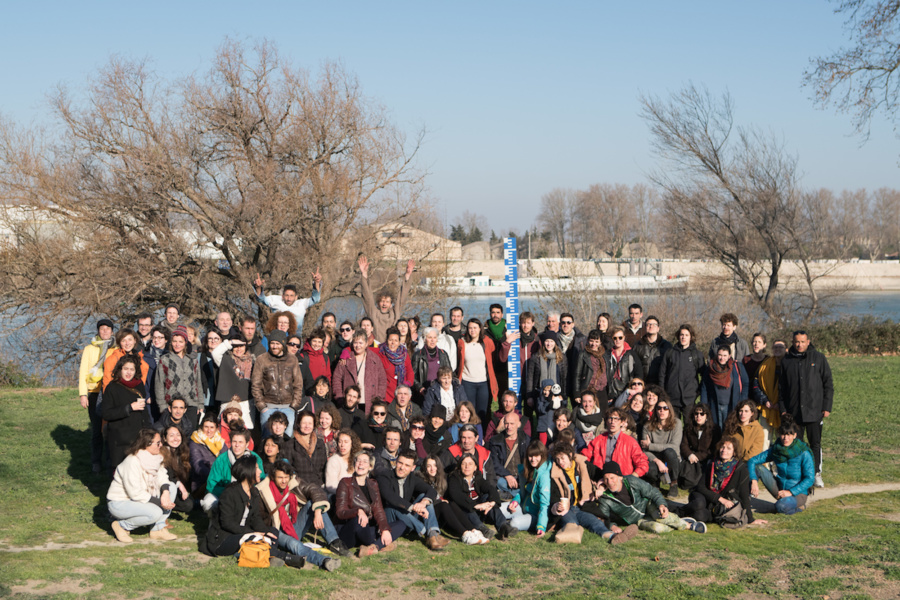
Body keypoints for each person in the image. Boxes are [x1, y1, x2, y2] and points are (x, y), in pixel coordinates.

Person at [202, 456, 317, 570]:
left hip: (244, 534)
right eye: (257, 468)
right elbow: (227, 523)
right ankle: (287, 558)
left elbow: (256, 519)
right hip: (223, 539)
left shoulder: (254, 492)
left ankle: (266, 555)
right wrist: (254, 532)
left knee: (272, 532)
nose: (260, 471)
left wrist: (264, 531)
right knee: (254, 536)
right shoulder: (229, 493)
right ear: (249, 470)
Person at [255, 460, 350, 562]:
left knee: (314, 504)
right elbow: (258, 518)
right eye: (280, 478)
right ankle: (322, 560)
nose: (284, 481)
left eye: (286, 477)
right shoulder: (263, 491)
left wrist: (318, 511)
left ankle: (334, 542)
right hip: (277, 531)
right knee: (294, 545)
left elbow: (314, 490)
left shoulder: (294, 483)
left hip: (294, 526)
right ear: (273, 477)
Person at [549, 444, 639, 544]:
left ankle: (613, 537)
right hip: (567, 509)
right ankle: (569, 537)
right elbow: (554, 495)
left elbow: (600, 474)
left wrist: (601, 487)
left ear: (570, 455)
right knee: (571, 524)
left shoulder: (583, 465)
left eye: (562, 458)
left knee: (595, 522)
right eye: (557, 459)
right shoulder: (555, 474)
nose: (560, 462)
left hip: (583, 506)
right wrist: (557, 505)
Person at [779, 330, 833, 488]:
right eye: (797, 342)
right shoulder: (786, 361)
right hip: (794, 413)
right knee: (797, 445)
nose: (799, 345)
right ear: (793, 341)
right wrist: (783, 409)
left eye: (802, 342)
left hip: (815, 411)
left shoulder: (818, 358)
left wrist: (826, 407)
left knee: (815, 443)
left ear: (808, 342)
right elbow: (781, 388)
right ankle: (801, 474)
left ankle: (816, 473)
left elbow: (828, 384)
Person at [107, 429, 178, 544]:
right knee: (155, 513)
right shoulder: (132, 462)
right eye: (158, 443)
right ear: (147, 444)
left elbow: (162, 476)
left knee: (172, 487)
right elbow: (135, 493)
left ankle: (157, 528)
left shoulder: (156, 458)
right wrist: (161, 502)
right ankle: (122, 526)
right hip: (120, 502)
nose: (161, 445)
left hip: (140, 498)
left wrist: (165, 493)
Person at [591, 461, 704, 534]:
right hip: (637, 520)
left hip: (648, 505)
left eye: (612, 478)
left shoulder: (631, 481)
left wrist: (661, 504)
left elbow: (652, 491)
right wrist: (612, 526)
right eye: (606, 479)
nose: (609, 482)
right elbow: (604, 517)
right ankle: (678, 522)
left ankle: (690, 526)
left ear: (620, 477)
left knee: (661, 516)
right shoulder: (605, 498)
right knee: (658, 528)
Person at [375, 450, 450, 550]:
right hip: (391, 520)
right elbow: (389, 496)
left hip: (407, 519)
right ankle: (426, 532)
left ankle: (432, 534)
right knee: (392, 506)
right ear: (396, 462)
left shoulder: (412, 478)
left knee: (425, 497)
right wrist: (413, 507)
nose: (402, 467)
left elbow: (431, 490)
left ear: (413, 468)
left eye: (407, 465)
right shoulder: (384, 476)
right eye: (400, 463)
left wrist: (424, 502)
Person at [336, 451, 408, 555]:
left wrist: (384, 529)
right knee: (358, 522)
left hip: (367, 528)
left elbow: (378, 510)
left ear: (370, 467)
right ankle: (379, 543)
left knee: (400, 524)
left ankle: (373, 547)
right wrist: (358, 511)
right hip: (350, 530)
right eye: (358, 461)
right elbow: (340, 512)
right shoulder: (345, 483)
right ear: (354, 464)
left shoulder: (373, 484)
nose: (361, 464)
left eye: (365, 461)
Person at [682, 437, 760, 528]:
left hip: (716, 506)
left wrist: (751, 519)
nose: (724, 450)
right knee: (699, 504)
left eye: (728, 448)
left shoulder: (741, 469)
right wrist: (720, 499)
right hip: (705, 495)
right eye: (723, 447)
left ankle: (685, 518)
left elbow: (744, 495)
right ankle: (677, 511)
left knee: (700, 516)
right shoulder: (712, 463)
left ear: (734, 452)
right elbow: (700, 487)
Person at [748, 415, 815, 515]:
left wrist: (790, 492)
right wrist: (754, 481)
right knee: (757, 467)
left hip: (798, 493)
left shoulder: (803, 453)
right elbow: (752, 461)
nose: (785, 438)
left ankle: (798, 507)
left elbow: (809, 479)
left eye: (789, 435)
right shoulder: (776, 449)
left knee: (781, 506)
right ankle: (745, 499)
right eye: (783, 434)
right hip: (780, 489)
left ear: (795, 435)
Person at [418, 454, 488, 544]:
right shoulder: (420, 480)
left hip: (439, 515)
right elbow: (424, 499)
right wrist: (439, 501)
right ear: (424, 468)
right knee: (443, 505)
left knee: (451, 503)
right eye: (429, 466)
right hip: (426, 515)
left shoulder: (440, 480)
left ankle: (473, 530)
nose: (432, 469)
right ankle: (465, 534)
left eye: (435, 465)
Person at [446, 455, 517, 540]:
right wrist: (474, 505)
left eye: (470, 464)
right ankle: (482, 529)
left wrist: (492, 502)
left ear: (475, 467)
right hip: (465, 513)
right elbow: (456, 495)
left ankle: (503, 526)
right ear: (459, 466)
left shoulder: (477, 477)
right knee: (465, 507)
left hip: (479, 511)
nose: (467, 466)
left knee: (488, 497)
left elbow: (490, 488)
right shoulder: (454, 478)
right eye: (464, 464)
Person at [102, 355, 153, 471]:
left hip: (137, 437)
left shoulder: (139, 385)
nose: (128, 373)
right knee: (120, 473)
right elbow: (106, 413)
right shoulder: (112, 387)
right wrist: (129, 408)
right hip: (119, 438)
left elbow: (144, 412)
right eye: (125, 369)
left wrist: (149, 431)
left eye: (132, 369)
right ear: (120, 369)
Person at [251, 330, 304, 437]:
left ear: (283, 344)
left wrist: (294, 406)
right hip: (268, 407)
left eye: (277, 343)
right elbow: (255, 385)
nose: (274, 346)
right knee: (267, 440)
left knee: (287, 439)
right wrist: (262, 406)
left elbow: (298, 384)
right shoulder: (262, 359)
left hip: (288, 407)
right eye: (272, 343)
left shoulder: (292, 359)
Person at [78, 318, 114, 473]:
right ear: (98, 331)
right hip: (94, 391)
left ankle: (109, 461)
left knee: (110, 428)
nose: (105, 331)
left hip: (110, 391)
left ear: (112, 331)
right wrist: (83, 394)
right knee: (96, 428)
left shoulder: (116, 348)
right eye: (102, 329)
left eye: (108, 329)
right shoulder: (89, 348)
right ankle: (95, 461)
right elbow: (83, 372)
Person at [202, 428, 264, 512]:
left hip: (248, 496)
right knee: (208, 501)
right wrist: (230, 495)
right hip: (225, 495)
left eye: (240, 442)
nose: (237, 445)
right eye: (234, 441)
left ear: (247, 444)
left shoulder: (255, 459)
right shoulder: (221, 459)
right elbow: (211, 485)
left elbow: (261, 481)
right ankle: (214, 522)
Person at [358, 255, 415, 343]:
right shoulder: (373, 312)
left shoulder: (394, 312)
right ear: (378, 302)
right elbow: (367, 297)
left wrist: (407, 275)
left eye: (387, 302)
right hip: (377, 348)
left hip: (392, 347)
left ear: (391, 303)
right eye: (382, 301)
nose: (384, 304)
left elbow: (402, 297)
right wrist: (364, 274)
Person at [155, 326, 203, 428]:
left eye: (180, 341)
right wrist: (162, 405)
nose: (177, 344)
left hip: (191, 404)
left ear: (185, 342)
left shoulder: (192, 360)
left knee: (190, 436)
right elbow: (159, 384)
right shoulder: (165, 359)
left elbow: (198, 382)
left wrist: (200, 404)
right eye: (174, 341)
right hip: (172, 405)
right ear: (171, 342)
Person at [502, 440, 552, 537]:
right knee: (499, 510)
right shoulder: (528, 469)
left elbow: (544, 504)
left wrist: (541, 526)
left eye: (536, 456)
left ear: (542, 456)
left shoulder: (544, 475)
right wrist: (515, 501)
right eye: (530, 456)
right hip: (522, 507)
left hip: (535, 515)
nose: (533, 459)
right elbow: (522, 492)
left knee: (514, 523)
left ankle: (510, 524)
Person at [581, 408, 649, 477]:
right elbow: (584, 457)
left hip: (622, 480)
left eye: (616, 419)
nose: (612, 422)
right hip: (600, 477)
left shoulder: (630, 442)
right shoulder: (598, 440)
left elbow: (643, 464)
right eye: (610, 418)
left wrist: (631, 478)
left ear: (622, 422)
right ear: (606, 421)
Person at [253, 269, 322, 335]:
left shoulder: (302, 304)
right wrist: (258, 287)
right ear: (282, 296)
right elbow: (261, 299)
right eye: (286, 295)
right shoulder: (276, 301)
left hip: (295, 338)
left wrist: (317, 283)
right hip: (278, 336)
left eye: (292, 296)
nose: (289, 299)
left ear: (296, 297)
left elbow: (315, 299)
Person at [333, 330, 388, 413]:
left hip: (370, 401)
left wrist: (379, 398)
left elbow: (382, 379)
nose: (358, 346)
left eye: (361, 343)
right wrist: (340, 397)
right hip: (349, 402)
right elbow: (336, 378)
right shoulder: (346, 359)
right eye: (355, 343)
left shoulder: (375, 359)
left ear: (366, 344)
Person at [457, 318, 498, 425]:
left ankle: (481, 437)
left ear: (480, 329)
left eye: (475, 328)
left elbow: (492, 359)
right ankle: (469, 434)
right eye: (470, 328)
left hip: (483, 382)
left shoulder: (487, 342)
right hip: (467, 382)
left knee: (482, 412)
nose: (472, 330)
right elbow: (459, 361)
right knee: (469, 411)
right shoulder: (462, 343)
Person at [658, 323, 705, 419]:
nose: (683, 337)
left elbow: (704, 375)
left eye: (686, 335)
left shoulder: (697, 354)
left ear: (691, 337)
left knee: (689, 427)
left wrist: (698, 392)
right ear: (678, 336)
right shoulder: (670, 353)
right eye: (681, 335)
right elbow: (662, 374)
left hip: (689, 398)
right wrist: (663, 393)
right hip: (671, 397)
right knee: (673, 427)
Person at [640, 398, 683, 497]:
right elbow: (644, 450)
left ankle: (673, 483)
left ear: (670, 410)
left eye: (665, 408)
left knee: (669, 452)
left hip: (670, 458)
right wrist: (658, 461)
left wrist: (651, 445)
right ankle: (655, 482)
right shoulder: (647, 426)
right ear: (656, 410)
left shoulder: (677, 424)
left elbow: (674, 446)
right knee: (649, 466)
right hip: (655, 458)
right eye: (659, 408)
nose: (662, 410)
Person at [211, 333, 256, 425]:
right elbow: (215, 353)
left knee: (246, 429)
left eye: (241, 346)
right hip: (228, 401)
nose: (239, 349)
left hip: (246, 402)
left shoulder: (252, 361)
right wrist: (230, 342)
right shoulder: (225, 359)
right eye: (235, 346)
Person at [701, 345, 750, 429]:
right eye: (720, 355)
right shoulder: (711, 368)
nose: (722, 358)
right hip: (714, 405)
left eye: (725, 355)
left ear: (729, 356)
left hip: (732, 405)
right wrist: (704, 406)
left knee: (730, 429)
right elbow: (704, 387)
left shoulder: (737, 367)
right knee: (715, 430)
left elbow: (745, 383)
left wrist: (742, 400)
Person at [487, 412, 530, 500]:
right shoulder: (495, 441)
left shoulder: (525, 439)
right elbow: (494, 462)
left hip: (521, 475)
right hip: (503, 476)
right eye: (506, 423)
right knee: (499, 482)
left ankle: (510, 494)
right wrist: (507, 475)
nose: (509, 427)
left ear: (518, 424)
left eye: (512, 424)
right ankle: (519, 494)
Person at [526, 331, 568, 419]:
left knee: (556, 419)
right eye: (547, 341)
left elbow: (564, 378)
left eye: (552, 341)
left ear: (555, 343)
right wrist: (529, 396)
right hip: (541, 395)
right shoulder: (536, 357)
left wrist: (563, 395)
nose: (549, 344)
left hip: (556, 394)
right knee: (542, 419)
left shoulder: (562, 358)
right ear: (543, 342)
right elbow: (530, 377)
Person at [678, 403, 720, 491]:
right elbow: (683, 444)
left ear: (707, 416)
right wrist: (689, 455)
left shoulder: (714, 429)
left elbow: (714, 448)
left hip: (707, 458)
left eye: (702, 414)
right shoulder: (688, 427)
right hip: (692, 457)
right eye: (696, 414)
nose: (698, 416)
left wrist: (699, 456)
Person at [101, 328, 150, 393]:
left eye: (130, 340)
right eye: (123, 340)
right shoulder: (113, 359)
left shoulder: (140, 359)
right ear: (119, 343)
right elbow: (107, 382)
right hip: (118, 396)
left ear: (135, 340)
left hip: (135, 394)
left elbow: (142, 380)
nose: (127, 343)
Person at [287, 410, 328, 488]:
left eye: (310, 423)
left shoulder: (319, 443)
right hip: (299, 486)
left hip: (318, 485)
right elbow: (289, 468)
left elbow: (323, 467)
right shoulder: (290, 444)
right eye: (304, 423)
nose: (307, 426)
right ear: (299, 424)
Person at [160, 425, 195, 514]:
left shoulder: (181, 451)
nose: (175, 438)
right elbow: (167, 476)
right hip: (164, 487)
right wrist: (181, 486)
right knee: (187, 504)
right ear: (164, 438)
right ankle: (163, 510)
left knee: (190, 503)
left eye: (178, 435)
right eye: (171, 435)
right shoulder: (162, 453)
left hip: (175, 486)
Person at [412, 327, 452, 403]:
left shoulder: (443, 354)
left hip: (441, 393)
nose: (432, 340)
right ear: (424, 339)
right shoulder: (418, 355)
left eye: (434, 337)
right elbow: (412, 376)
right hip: (424, 393)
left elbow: (450, 373)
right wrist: (420, 388)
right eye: (430, 337)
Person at [573, 330, 610, 408]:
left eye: (596, 341)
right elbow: (577, 374)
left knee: (603, 415)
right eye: (591, 341)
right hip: (588, 388)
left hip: (602, 390)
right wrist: (577, 393)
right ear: (588, 341)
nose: (594, 344)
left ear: (600, 342)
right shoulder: (583, 355)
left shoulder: (605, 355)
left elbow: (608, 373)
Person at [605, 326, 644, 400]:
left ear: (624, 338)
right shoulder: (607, 354)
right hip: (611, 392)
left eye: (620, 337)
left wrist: (634, 390)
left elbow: (639, 373)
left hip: (627, 392)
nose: (618, 340)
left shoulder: (631, 354)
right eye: (615, 338)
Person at [189, 414, 224, 494]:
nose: (209, 430)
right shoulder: (194, 442)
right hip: (202, 483)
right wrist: (216, 477)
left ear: (216, 428)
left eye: (212, 427)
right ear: (201, 427)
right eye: (206, 427)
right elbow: (197, 466)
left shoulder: (220, 441)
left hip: (221, 479)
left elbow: (226, 459)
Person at [377, 327, 414, 404]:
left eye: (396, 340)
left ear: (399, 342)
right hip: (387, 396)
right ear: (387, 341)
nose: (393, 343)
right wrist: (346, 351)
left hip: (402, 394)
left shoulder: (404, 354)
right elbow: (362, 348)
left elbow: (410, 371)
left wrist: (407, 383)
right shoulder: (380, 351)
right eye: (390, 340)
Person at [634, 316, 672, 385]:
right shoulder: (637, 346)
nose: (651, 326)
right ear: (645, 328)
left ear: (658, 328)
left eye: (654, 324)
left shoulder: (667, 346)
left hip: (660, 384)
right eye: (648, 324)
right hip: (643, 384)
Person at [325, 429, 360, 495]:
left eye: (346, 442)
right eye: (340, 442)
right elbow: (331, 486)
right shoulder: (334, 460)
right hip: (339, 496)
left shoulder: (357, 459)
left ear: (352, 444)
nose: (342, 445)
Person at [484, 304, 509, 391]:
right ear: (490, 314)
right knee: (488, 396)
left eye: (498, 312)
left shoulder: (508, 330)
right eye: (493, 312)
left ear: (502, 314)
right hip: (488, 368)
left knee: (503, 395)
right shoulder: (484, 330)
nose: (495, 315)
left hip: (504, 369)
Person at [298, 329, 332, 394]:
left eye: (319, 342)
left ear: (323, 343)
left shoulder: (325, 358)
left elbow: (328, 376)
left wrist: (327, 390)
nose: (316, 344)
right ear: (310, 341)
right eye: (314, 341)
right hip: (306, 391)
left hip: (321, 392)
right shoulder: (303, 356)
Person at [199, 330, 222, 416]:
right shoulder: (199, 357)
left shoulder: (226, 358)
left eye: (216, 339)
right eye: (210, 338)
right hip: (204, 399)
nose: (213, 341)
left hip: (221, 399)